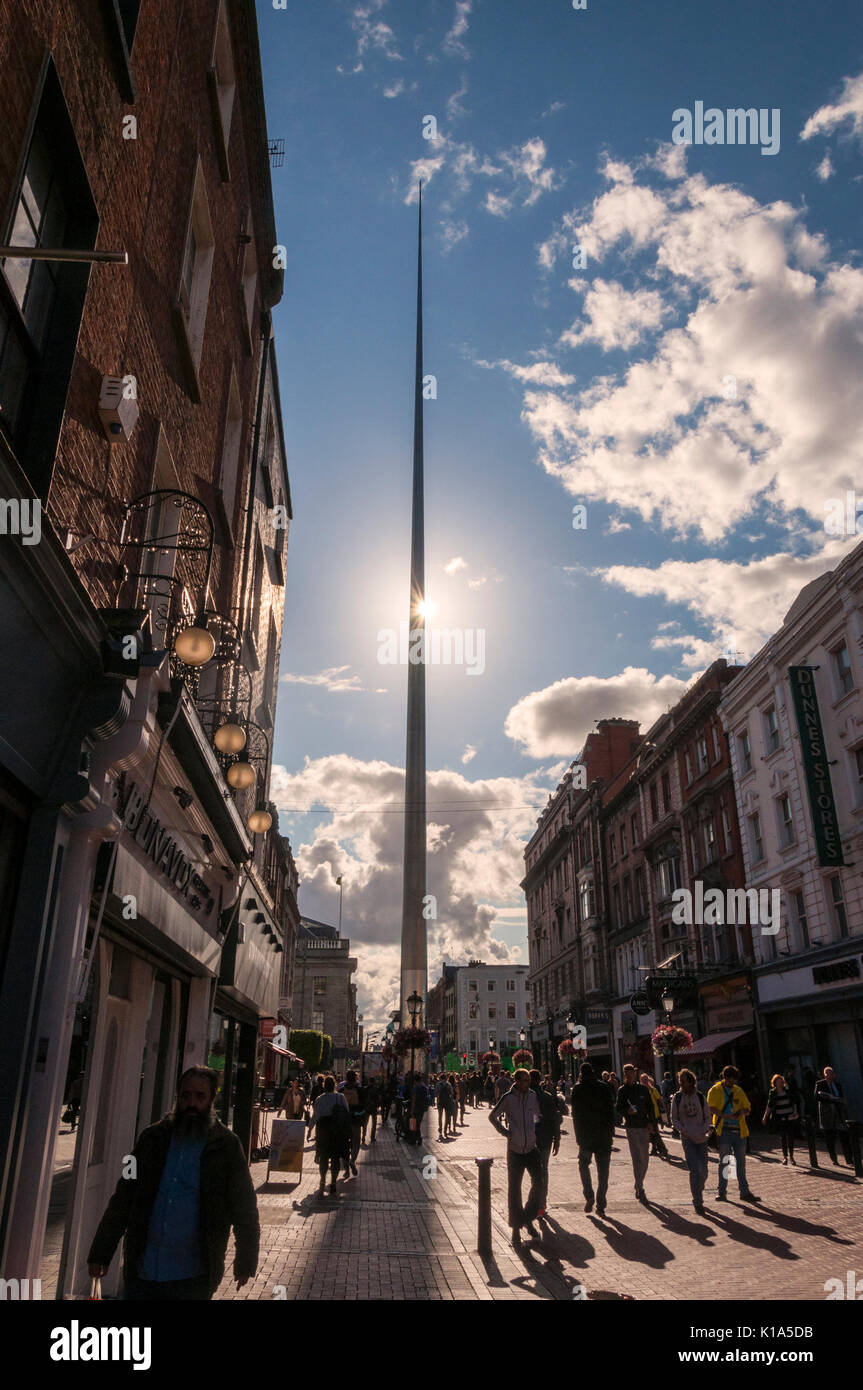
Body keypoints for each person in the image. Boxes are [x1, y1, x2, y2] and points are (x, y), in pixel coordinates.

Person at [87, 1066, 258, 1300]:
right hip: (143, 1272)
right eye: (186, 1095)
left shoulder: (227, 1146)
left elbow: (244, 1206)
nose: (192, 1103)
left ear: (211, 1100)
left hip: (194, 1277)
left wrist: (245, 1261)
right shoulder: (149, 1139)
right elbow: (123, 1195)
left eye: (200, 1096)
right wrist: (101, 1252)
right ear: (178, 1097)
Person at [489, 1068, 543, 1245]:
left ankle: (527, 1217)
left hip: (531, 1147)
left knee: (539, 1183)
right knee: (514, 1189)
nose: (527, 1083)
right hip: (515, 1149)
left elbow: (537, 1116)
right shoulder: (508, 1098)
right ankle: (515, 1229)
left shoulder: (533, 1095)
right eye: (524, 1080)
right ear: (517, 1081)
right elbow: (493, 1116)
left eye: (529, 1080)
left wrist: (533, 1132)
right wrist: (506, 1132)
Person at [707, 1065, 759, 1203]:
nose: (732, 1083)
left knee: (740, 1162)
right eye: (729, 1080)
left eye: (734, 1080)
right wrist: (725, 1115)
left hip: (739, 1131)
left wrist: (742, 1112)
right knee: (725, 1161)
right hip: (724, 1131)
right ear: (724, 1078)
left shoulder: (738, 1090)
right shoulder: (715, 1090)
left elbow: (748, 1108)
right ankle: (722, 1192)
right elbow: (710, 1108)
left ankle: (744, 1191)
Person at [570, 1062, 616, 1216]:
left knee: (583, 1165)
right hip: (603, 1135)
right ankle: (601, 1203)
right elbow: (611, 1112)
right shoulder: (603, 1087)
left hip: (585, 1137)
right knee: (603, 1172)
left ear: (581, 1074)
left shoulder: (577, 1089)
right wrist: (611, 1133)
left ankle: (589, 1195)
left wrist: (578, 1137)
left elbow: (575, 1115)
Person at [670, 1069, 713, 1213]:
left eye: (683, 1080)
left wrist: (703, 1129)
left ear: (690, 1081)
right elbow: (674, 1118)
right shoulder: (677, 1098)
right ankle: (698, 1200)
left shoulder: (700, 1097)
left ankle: (698, 1189)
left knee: (704, 1170)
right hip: (687, 1138)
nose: (681, 1083)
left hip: (701, 1138)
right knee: (695, 1169)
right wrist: (683, 1129)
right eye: (679, 1080)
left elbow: (708, 1116)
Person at [615, 1063, 653, 1202]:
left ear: (635, 1073)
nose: (630, 1075)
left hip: (643, 1125)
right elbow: (618, 1108)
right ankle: (640, 1188)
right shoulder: (623, 1090)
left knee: (645, 1158)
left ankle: (638, 1183)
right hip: (631, 1127)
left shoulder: (643, 1089)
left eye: (632, 1073)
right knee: (637, 1158)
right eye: (627, 1073)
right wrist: (627, 1112)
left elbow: (649, 1106)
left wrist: (651, 1123)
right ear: (625, 1075)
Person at [308, 1075, 351, 1195]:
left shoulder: (320, 1099)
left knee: (324, 1157)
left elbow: (315, 1116)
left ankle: (322, 1179)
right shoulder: (340, 1097)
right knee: (336, 1158)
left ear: (324, 1086)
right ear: (334, 1086)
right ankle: (333, 1182)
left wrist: (309, 1130)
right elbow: (346, 1112)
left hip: (323, 1130)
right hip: (336, 1131)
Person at [529, 1070, 561, 1219]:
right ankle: (541, 1204)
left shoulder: (525, 1097)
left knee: (533, 1172)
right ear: (540, 1080)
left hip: (528, 1139)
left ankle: (535, 1204)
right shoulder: (547, 1097)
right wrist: (557, 1139)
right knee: (543, 1170)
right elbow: (555, 1119)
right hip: (546, 1139)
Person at [815, 1067, 852, 1166]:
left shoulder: (838, 1085)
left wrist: (839, 1100)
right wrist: (829, 1098)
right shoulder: (820, 1084)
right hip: (827, 1115)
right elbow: (816, 1097)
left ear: (833, 1075)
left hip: (839, 1115)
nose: (828, 1076)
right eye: (826, 1074)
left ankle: (849, 1159)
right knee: (830, 1138)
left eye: (830, 1074)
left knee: (844, 1137)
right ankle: (834, 1158)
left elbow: (841, 1098)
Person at [762, 1073, 798, 1165]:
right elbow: (769, 1106)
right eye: (778, 1082)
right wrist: (765, 1117)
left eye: (781, 1082)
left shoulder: (787, 1090)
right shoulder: (773, 1092)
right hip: (779, 1117)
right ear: (774, 1083)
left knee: (790, 1137)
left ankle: (792, 1157)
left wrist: (795, 1112)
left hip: (789, 1116)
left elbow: (793, 1102)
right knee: (783, 1137)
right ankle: (785, 1157)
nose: (780, 1083)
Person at [338, 1070, 366, 1174]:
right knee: (356, 1142)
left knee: (344, 1144)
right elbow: (363, 1106)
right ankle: (352, 1160)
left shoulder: (341, 1090)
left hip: (344, 1121)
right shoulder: (360, 1090)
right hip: (355, 1120)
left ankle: (346, 1169)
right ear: (355, 1078)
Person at [641, 1072, 668, 1157]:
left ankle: (663, 1149)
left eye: (645, 1079)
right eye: (643, 1080)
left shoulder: (652, 1089)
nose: (644, 1081)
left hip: (654, 1114)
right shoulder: (641, 1090)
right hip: (645, 1115)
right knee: (651, 1133)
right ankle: (654, 1149)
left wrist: (664, 1109)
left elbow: (660, 1099)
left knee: (655, 1133)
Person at [436, 1073, 455, 1138]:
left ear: (440, 1078)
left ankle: (440, 1129)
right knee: (447, 1117)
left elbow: (436, 1093)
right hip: (447, 1102)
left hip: (440, 1102)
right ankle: (445, 1131)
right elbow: (452, 1093)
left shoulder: (438, 1084)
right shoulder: (448, 1084)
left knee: (440, 1116)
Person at [363, 1078, 380, 1144]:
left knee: (365, 1123)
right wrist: (378, 1106)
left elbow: (363, 1098)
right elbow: (378, 1098)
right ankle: (372, 1137)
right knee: (374, 1123)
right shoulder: (376, 1089)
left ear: (369, 1081)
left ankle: (363, 1137)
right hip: (373, 1108)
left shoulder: (365, 1088)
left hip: (367, 1108)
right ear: (374, 1082)